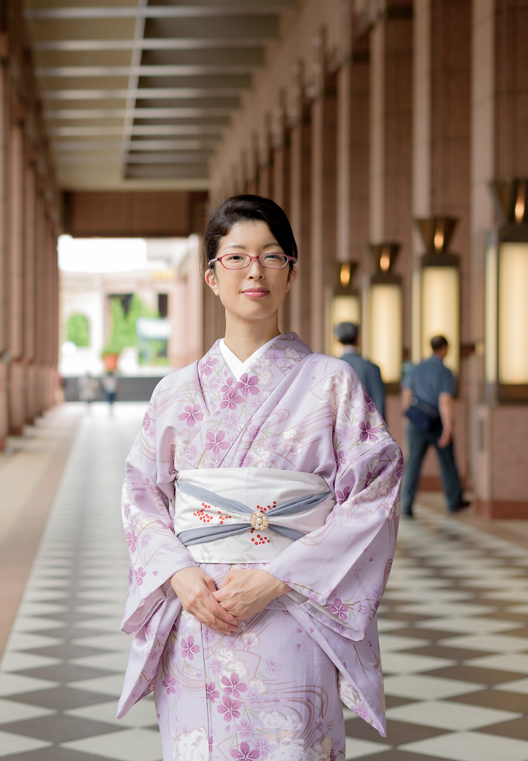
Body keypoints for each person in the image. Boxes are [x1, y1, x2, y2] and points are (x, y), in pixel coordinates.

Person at [118, 195, 402, 760]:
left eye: (272, 256)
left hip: (292, 611)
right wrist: (178, 575)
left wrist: (278, 578)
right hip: (199, 612)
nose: (254, 271)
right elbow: (141, 497)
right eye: (236, 257)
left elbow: (375, 493)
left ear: (291, 273)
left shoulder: (332, 383)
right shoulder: (174, 392)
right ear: (211, 276)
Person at [401, 335, 469, 516]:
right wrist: (448, 428)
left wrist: (407, 419)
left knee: (413, 463)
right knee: (447, 462)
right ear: (444, 349)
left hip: (416, 421)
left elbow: (406, 394)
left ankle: (406, 503)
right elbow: (445, 401)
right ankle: (454, 500)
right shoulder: (445, 371)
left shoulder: (416, 368)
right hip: (436, 422)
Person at [334, 321, 386, 420]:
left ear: (336, 340)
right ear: (358, 339)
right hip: (366, 424)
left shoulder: (331, 366)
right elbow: (379, 403)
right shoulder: (372, 367)